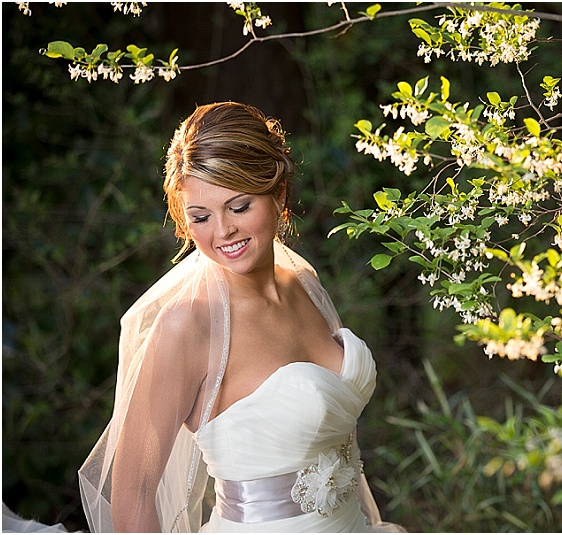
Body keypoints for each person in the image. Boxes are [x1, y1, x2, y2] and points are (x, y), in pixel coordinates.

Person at [77, 102, 405, 533]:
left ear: (278, 192)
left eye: (239, 206)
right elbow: (133, 493)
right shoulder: (186, 327)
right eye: (200, 216)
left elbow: (337, 450)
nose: (222, 232)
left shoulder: (303, 281)